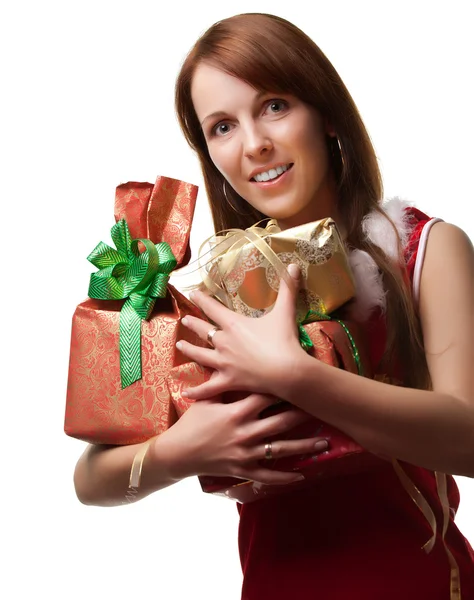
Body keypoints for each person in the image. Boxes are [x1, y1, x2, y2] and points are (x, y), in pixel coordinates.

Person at [74, 12, 474, 599]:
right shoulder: (208, 295)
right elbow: (91, 479)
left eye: (275, 106)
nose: (255, 143)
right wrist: (180, 452)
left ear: (327, 112)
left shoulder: (423, 251)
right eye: (221, 127)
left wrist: (294, 375)